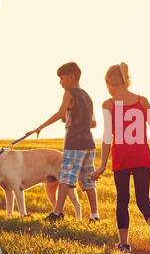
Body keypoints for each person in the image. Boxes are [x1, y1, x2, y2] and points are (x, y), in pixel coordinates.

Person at [91, 63, 150, 254]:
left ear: (110, 82)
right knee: (144, 199)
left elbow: (108, 136)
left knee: (122, 200)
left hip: (122, 157)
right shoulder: (142, 101)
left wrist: (101, 165)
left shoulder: (108, 104)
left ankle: (124, 244)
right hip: (141, 155)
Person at [24, 61, 100, 222]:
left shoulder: (69, 93)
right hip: (89, 143)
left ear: (72, 77)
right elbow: (93, 123)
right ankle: (94, 215)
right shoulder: (87, 96)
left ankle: (57, 213)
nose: (60, 82)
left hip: (74, 143)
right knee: (88, 180)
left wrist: (39, 127)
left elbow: (60, 113)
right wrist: (70, 118)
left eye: (62, 78)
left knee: (66, 177)